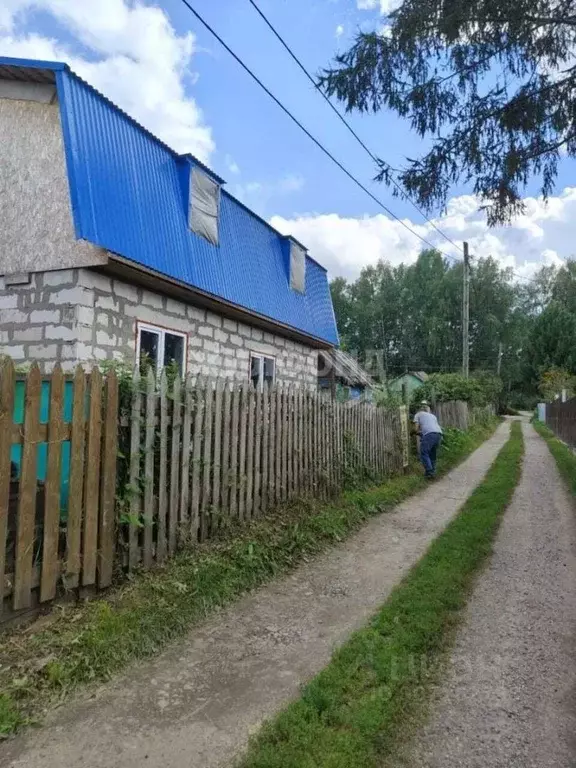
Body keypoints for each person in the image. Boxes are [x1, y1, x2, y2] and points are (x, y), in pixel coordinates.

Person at [413, 401, 443, 479]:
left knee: (424, 453)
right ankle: (432, 471)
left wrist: (413, 432)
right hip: (438, 434)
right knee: (432, 454)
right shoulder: (432, 416)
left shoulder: (418, 415)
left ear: (419, 410)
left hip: (429, 434)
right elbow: (431, 426)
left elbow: (416, 429)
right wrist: (422, 433)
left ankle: (429, 472)